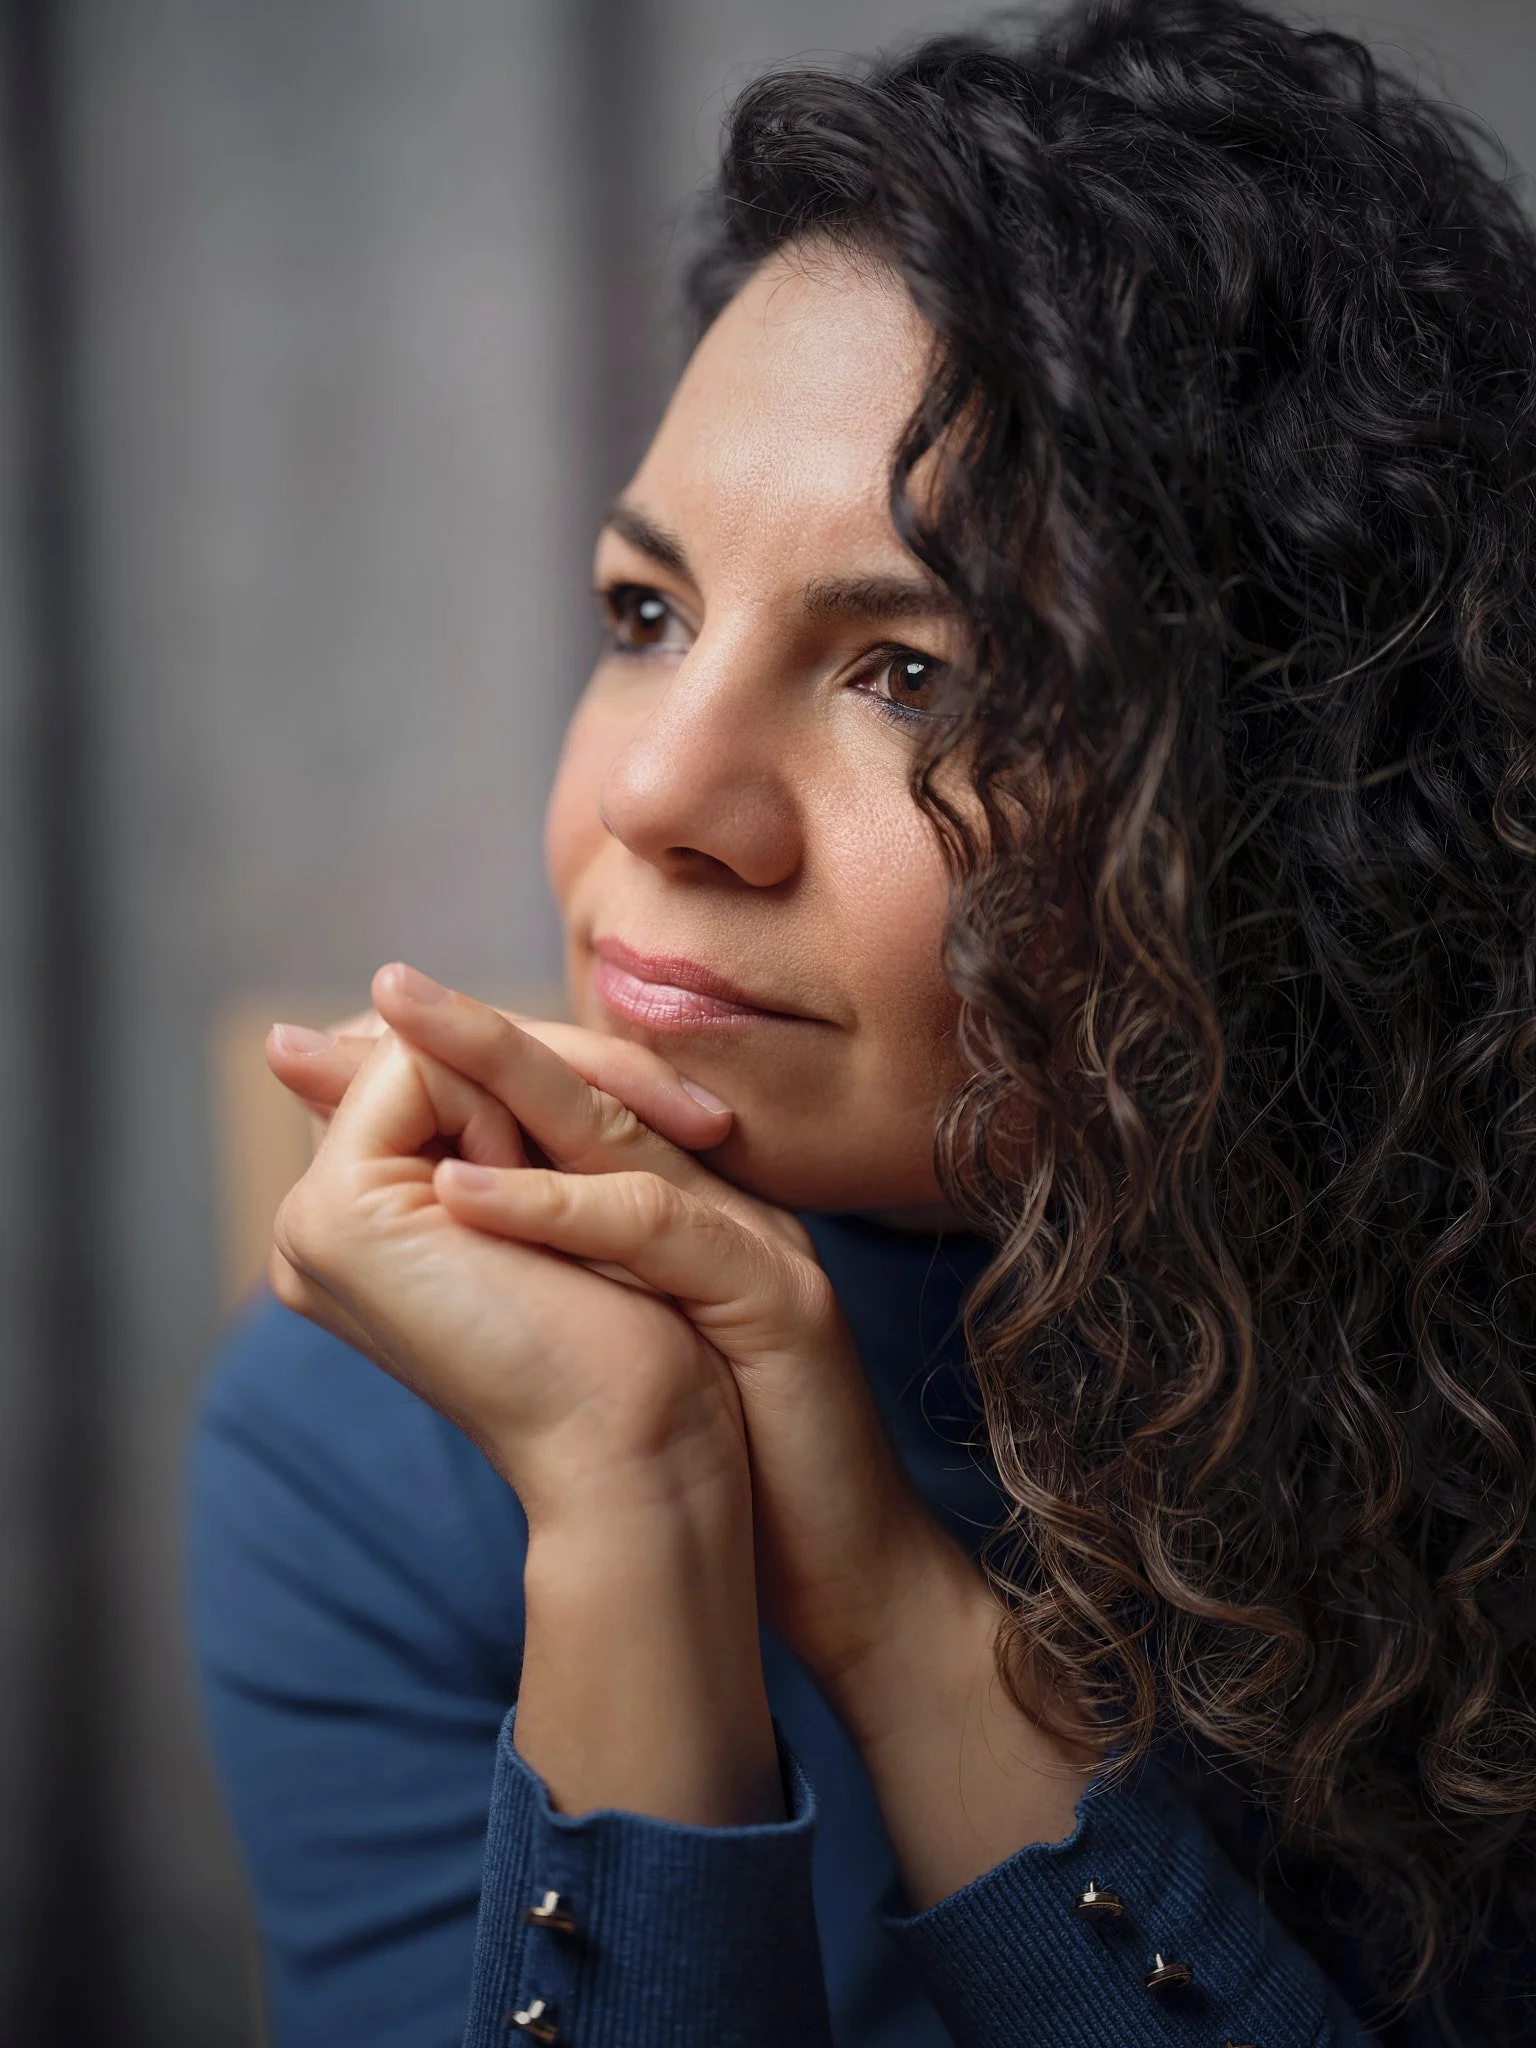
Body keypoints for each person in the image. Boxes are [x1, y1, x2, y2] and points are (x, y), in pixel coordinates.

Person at [189, 2, 1536, 2043]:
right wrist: (631, 1505)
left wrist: (901, 1618)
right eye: (648, 618)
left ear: (1293, 805)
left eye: (913, 673)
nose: (658, 798)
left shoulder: (1475, 1410)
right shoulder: (381, 1443)